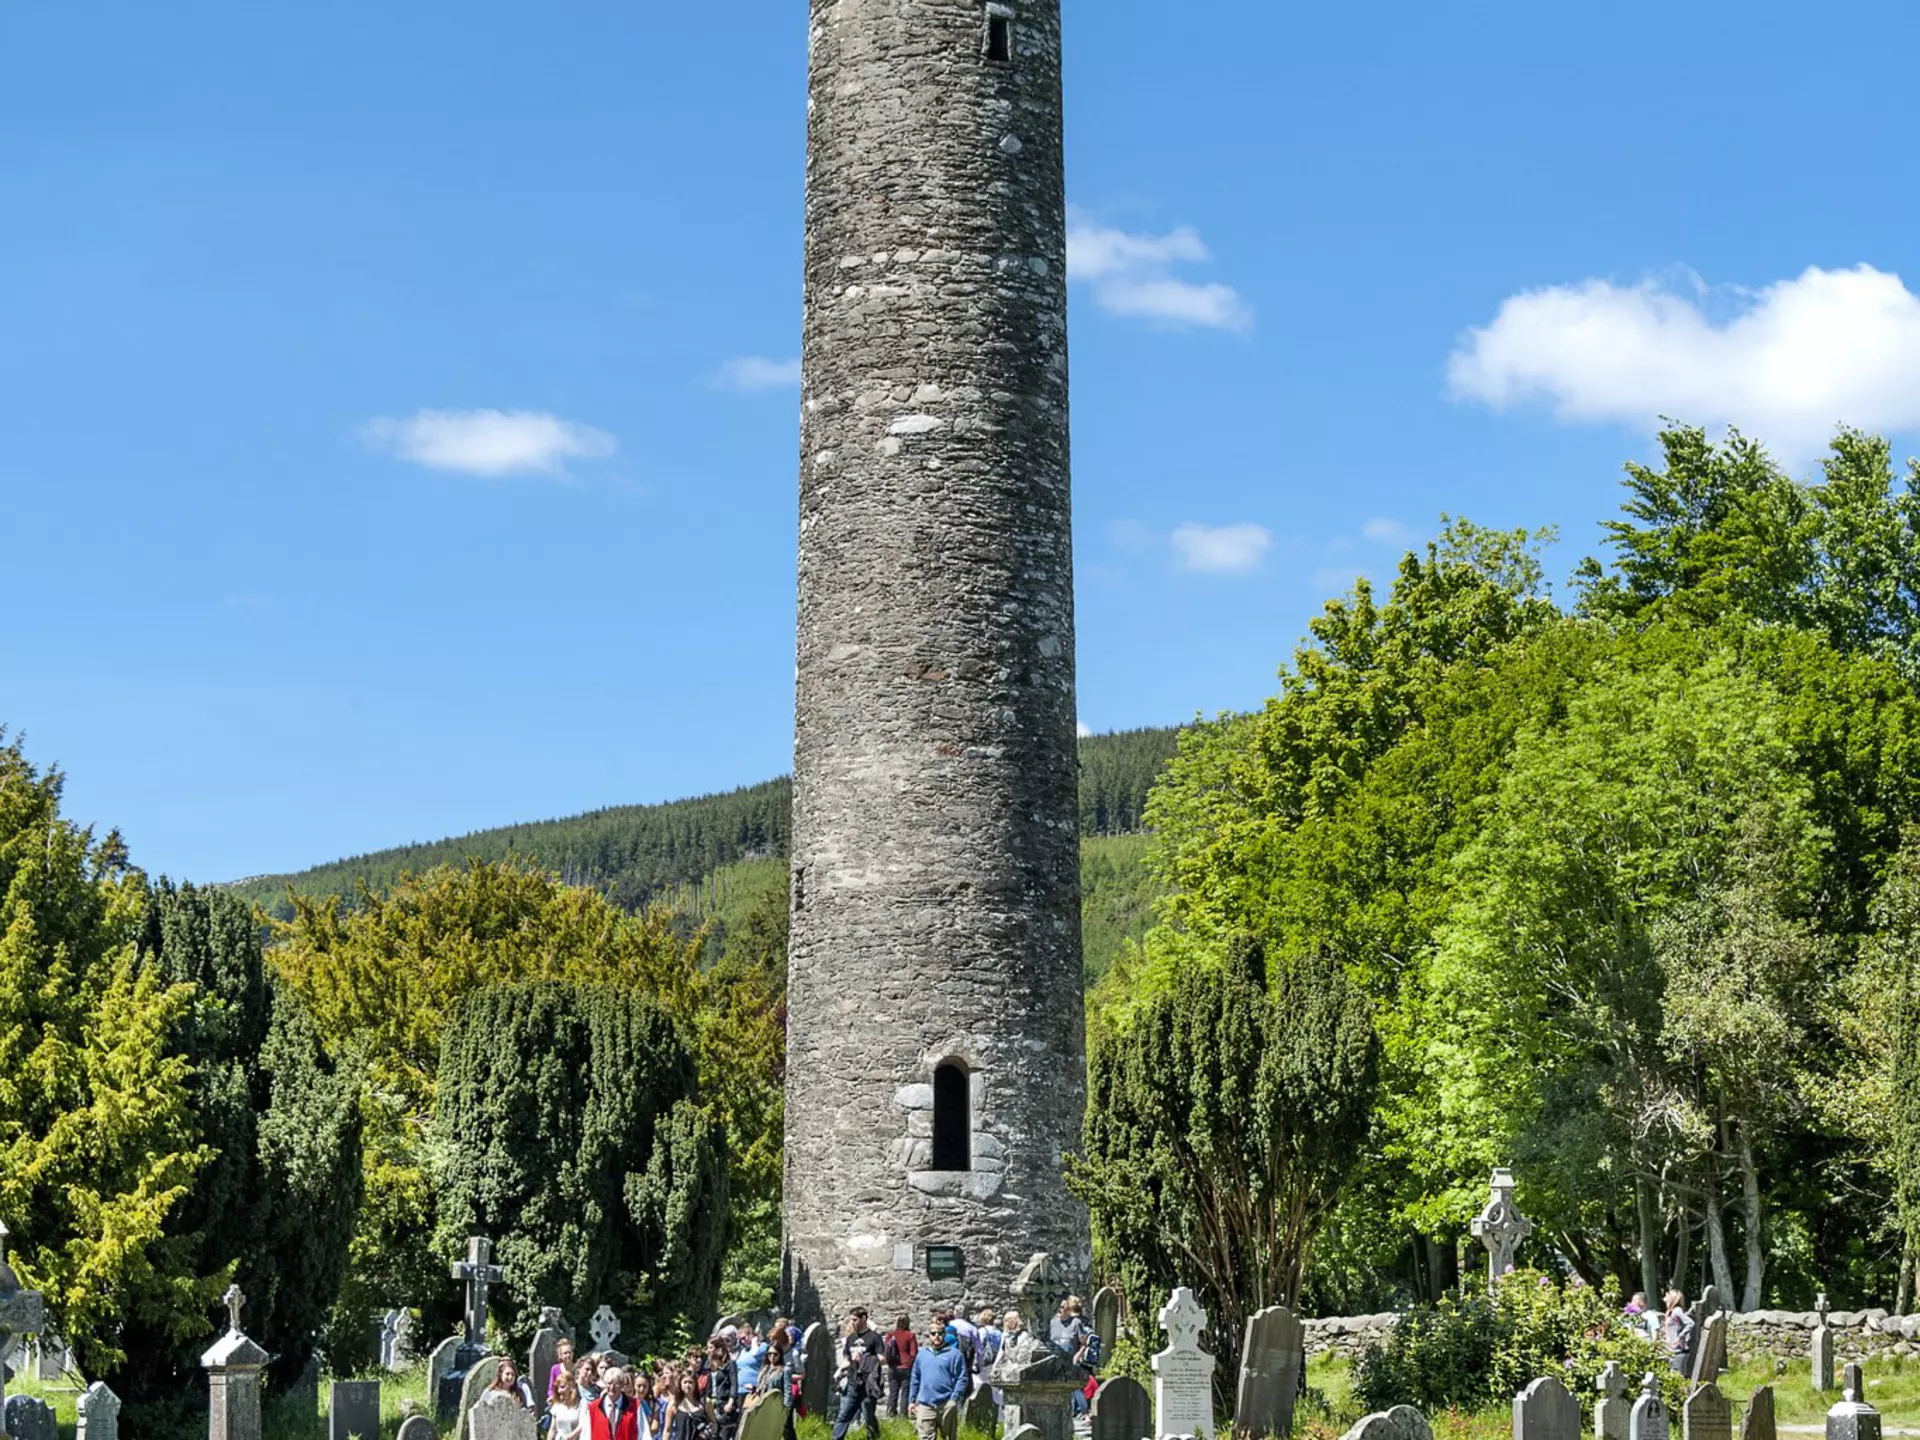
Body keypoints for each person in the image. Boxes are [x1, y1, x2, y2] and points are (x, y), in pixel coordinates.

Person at [908, 1325, 969, 1440]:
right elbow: (915, 1377)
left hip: (946, 1403)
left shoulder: (955, 1354)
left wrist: (954, 1399)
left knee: (948, 1437)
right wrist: (911, 1400)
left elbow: (962, 1378)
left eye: (940, 1333)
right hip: (926, 1404)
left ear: (945, 1335)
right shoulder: (922, 1355)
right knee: (925, 1437)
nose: (937, 1336)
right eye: (933, 1333)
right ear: (929, 1335)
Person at [834, 1307, 886, 1440]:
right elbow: (847, 1360)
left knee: (869, 1417)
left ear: (864, 1319)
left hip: (868, 1384)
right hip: (852, 1382)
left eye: (855, 1320)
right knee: (843, 1416)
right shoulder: (851, 1338)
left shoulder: (874, 1338)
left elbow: (882, 1359)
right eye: (851, 1320)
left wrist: (865, 1359)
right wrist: (840, 1370)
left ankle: (873, 1436)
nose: (852, 1323)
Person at [885, 1313, 918, 1419]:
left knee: (893, 1392)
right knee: (905, 1392)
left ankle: (891, 1413)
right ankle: (903, 1415)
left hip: (893, 1367)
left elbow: (886, 1348)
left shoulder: (891, 1334)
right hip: (906, 1367)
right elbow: (913, 1353)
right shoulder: (910, 1335)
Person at [707, 1335, 740, 1440]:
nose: (708, 1351)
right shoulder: (709, 1364)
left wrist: (730, 1402)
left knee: (723, 1436)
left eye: (710, 1348)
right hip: (711, 1405)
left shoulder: (730, 1364)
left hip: (724, 1404)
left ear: (718, 1348)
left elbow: (734, 1384)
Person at [1663, 1291, 1696, 1376]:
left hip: (1678, 1351)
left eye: (1668, 1294)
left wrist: (1680, 1336)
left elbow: (1690, 1323)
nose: (1665, 1295)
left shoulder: (1677, 1310)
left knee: (1679, 1379)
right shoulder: (1671, 1312)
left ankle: (1686, 1390)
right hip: (1671, 1350)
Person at [551, 1373, 587, 1440]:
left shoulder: (582, 1404)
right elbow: (553, 1429)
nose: (559, 1390)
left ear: (571, 1386)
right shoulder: (557, 1405)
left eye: (562, 1387)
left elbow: (582, 1425)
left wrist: (570, 1437)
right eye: (557, 1388)